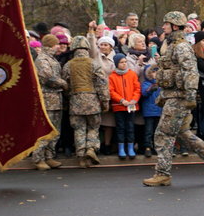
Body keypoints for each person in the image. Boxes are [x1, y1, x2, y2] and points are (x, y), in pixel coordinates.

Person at [143, 11, 204, 187]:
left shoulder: (181, 46)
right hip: (174, 96)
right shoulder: (173, 45)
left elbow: (190, 71)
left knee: (163, 134)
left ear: (174, 26)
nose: (163, 27)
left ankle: (162, 174)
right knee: (182, 133)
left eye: (166, 24)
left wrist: (190, 96)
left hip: (179, 98)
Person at [63, 35, 109, 168]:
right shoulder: (94, 63)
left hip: (75, 102)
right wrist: (105, 101)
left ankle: (81, 156)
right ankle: (91, 148)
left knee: (79, 129)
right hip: (92, 102)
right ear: (87, 48)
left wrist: (68, 99)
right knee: (94, 127)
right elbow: (102, 84)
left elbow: (65, 85)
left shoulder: (68, 65)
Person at [31, 34, 68, 170]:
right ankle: (38, 158)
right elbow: (47, 77)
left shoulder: (52, 58)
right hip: (47, 99)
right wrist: (63, 83)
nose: (59, 46)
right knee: (46, 129)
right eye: (57, 44)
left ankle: (49, 156)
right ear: (51, 45)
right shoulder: (42, 59)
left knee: (55, 131)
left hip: (56, 99)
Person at [108, 53, 141, 159]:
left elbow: (137, 89)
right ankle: (121, 148)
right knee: (120, 127)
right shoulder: (112, 76)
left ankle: (130, 148)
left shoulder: (132, 74)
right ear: (116, 63)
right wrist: (121, 100)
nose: (124, 64)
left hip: (131, 105)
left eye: (125, 62)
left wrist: (134, 100)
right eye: (121, 62)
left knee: (130, 127)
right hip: (119, 106)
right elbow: (111, 91)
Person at [139, 65, 162, 156]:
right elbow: (144, 93)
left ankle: (156, 147)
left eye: (157, 72)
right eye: (153, 72)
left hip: (158, 110)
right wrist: (151, 89)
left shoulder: (161, 84)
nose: (155, 74)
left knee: (157, 130)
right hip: (149, 111)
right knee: (148, 130)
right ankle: (147, 147)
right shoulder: (146, 84)